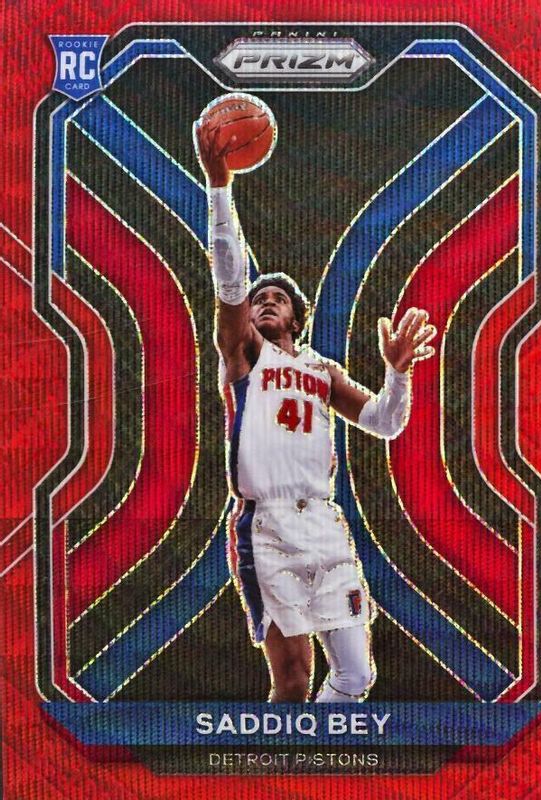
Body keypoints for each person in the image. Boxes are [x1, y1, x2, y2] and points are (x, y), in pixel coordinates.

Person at [194, 118, 436, 703]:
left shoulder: (322, 370)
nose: (264, 303)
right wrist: (220, 186)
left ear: (296, 319)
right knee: (294, 677)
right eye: (259, 299)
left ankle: (312, 753)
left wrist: (397, 373)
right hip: (266, 524)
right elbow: (229, 276)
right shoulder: (244, 355)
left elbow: (385, 422)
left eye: (277, 298)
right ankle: (277, 757)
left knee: (356, 677)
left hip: (324, 524)